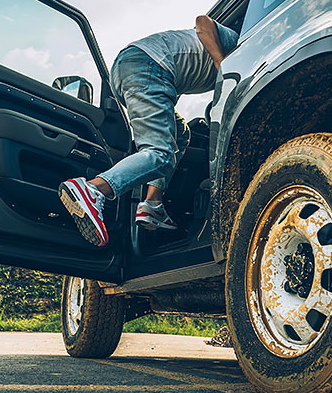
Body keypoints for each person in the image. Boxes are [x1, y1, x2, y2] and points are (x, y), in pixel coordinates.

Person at [59, 15, 239, 247]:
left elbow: (175, 81)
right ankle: (93, 189)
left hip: (134, 71)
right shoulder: (236, 42)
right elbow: (203, 21)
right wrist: (221, 64)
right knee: (160, 153)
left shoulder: (189, 59)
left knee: (179, 133)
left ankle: (152, 205)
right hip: (147, 68)